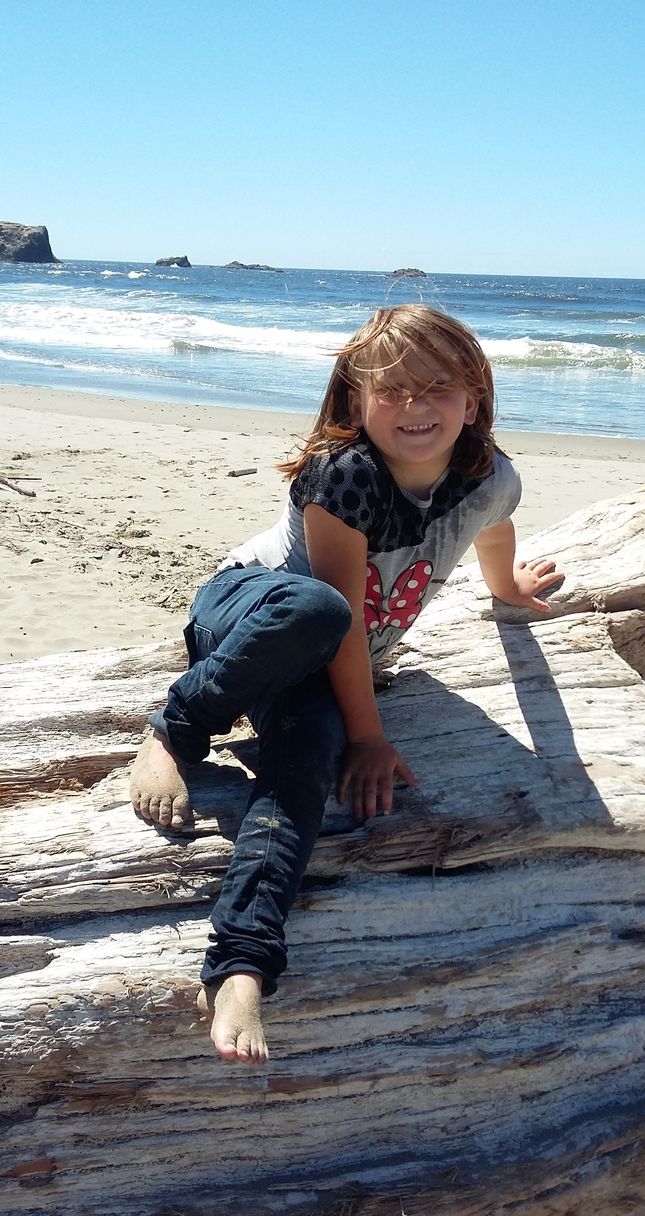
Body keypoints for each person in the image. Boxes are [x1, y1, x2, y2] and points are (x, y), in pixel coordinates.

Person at [130, 304, 563, 1066]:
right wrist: (369, 735)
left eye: (437, 387)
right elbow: (335, 622)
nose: (415, 406)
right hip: (253, 613)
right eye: (391, 390)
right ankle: (177, 726)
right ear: (356, 400)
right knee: (320, 609)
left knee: (302, 769)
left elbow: (494, 524)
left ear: (474, 398)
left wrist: (509, 586)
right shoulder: (345, 476)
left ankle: (239, 966)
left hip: (320, 668)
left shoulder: (490, 476)